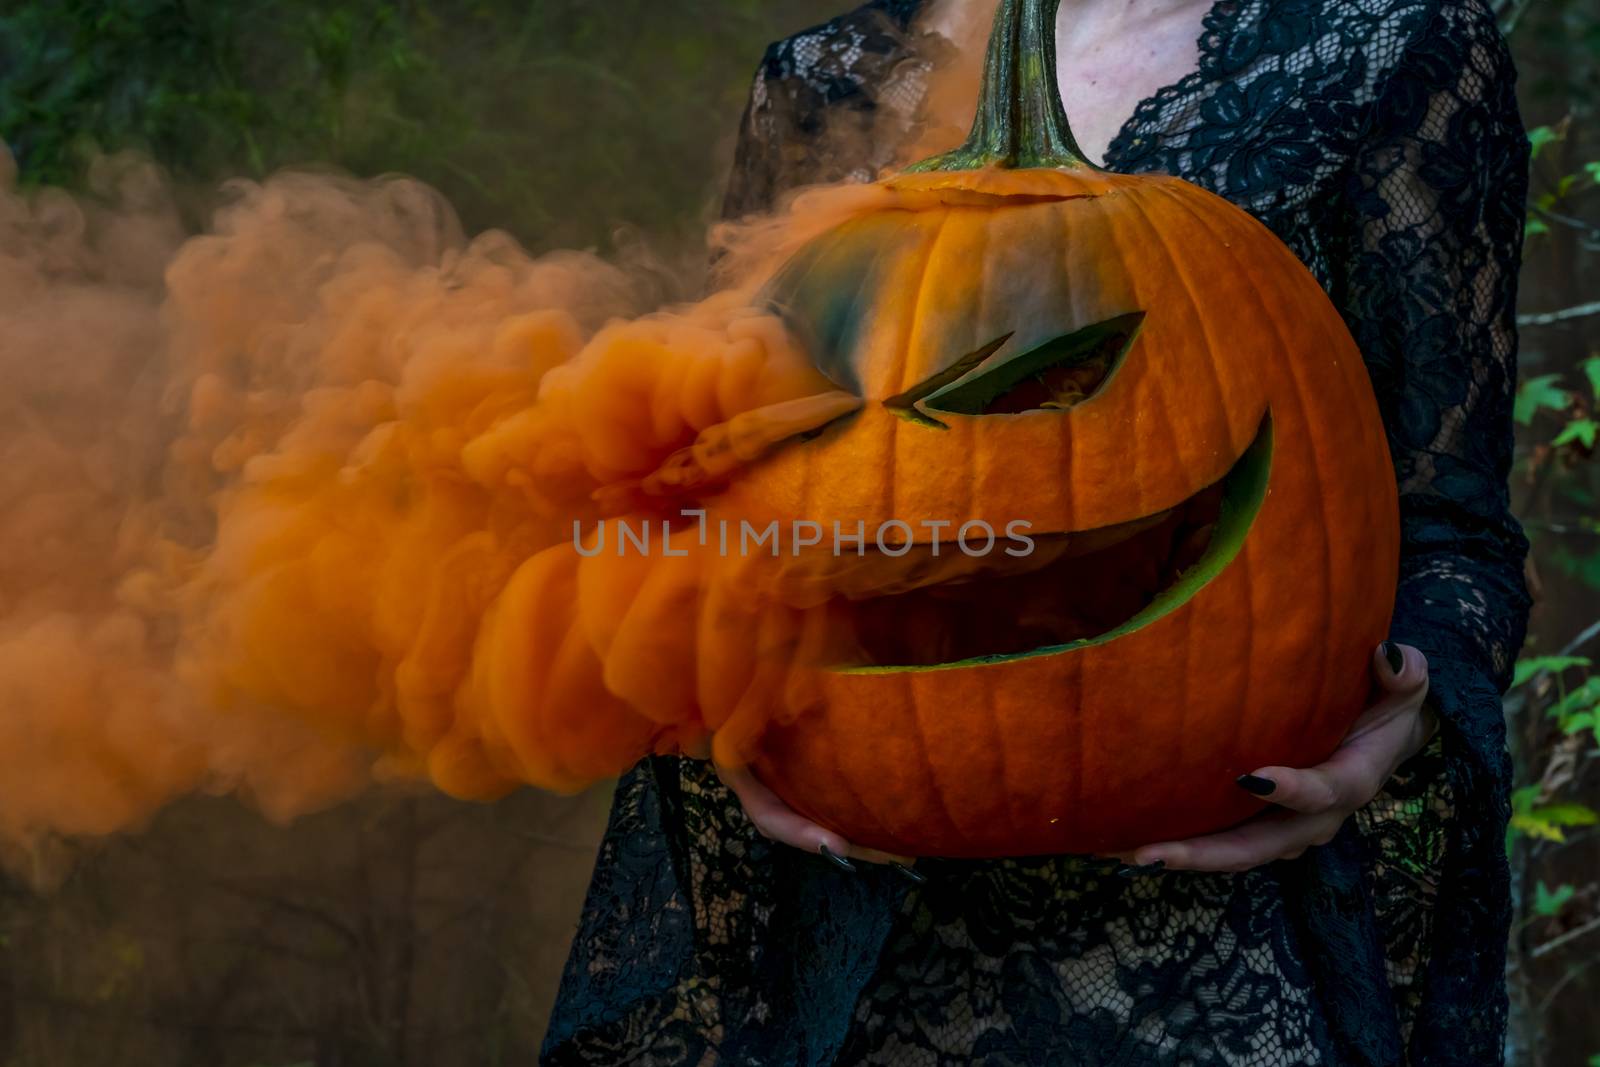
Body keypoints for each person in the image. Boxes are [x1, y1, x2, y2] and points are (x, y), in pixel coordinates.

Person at [541, 0, 1533, 1062]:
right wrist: (708, 693)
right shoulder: (821, 80)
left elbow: (1449, 525)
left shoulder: (1380, 53)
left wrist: (1400, 720)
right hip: (854, 926)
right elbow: (729, 465)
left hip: (1214, 938)